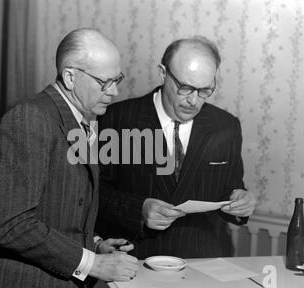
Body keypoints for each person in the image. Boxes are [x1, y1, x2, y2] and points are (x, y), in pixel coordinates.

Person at [0, 28, 138, 288]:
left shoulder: (80, 120)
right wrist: (91, 263)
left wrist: (94, 245)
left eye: (117, 79)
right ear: (70, 77)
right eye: (104, 82)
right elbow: (10, 225)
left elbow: (62, 209)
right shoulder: (30, 119)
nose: (115, 91)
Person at [96, 36, 257, 259]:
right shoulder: (118, 119)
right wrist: (138, 209)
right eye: (185, 88)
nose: (194, 101)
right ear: (163, 74)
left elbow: (232, 189)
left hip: (202, 263)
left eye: (205, 91)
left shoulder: (226, 126)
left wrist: (242, 202)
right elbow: (95, 194)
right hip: (135, 260)